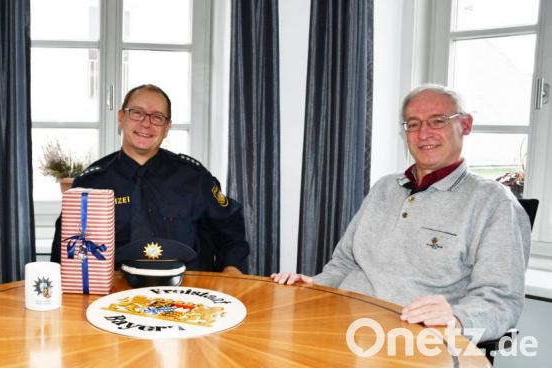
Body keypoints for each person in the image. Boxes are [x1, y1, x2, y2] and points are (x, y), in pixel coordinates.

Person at [271, 84, 531, 341]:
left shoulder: (493, 202)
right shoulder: (385, 187)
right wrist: (315, 285)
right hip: (340, 326)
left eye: (437, 121)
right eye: (413, 124)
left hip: (410, 341)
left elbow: (501, 300)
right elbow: (344, 262)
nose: (423, 133)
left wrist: (459, 318)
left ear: (465, 125)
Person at [50, 84, 249, 274]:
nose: (146, 123)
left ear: (167, 127)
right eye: (137, 113)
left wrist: (233, 269)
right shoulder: (91, 184)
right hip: (113, 297)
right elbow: (66, 247)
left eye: (157, 117)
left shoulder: (195, 178)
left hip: (189, 295)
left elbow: (230, 227)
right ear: (121, 117)